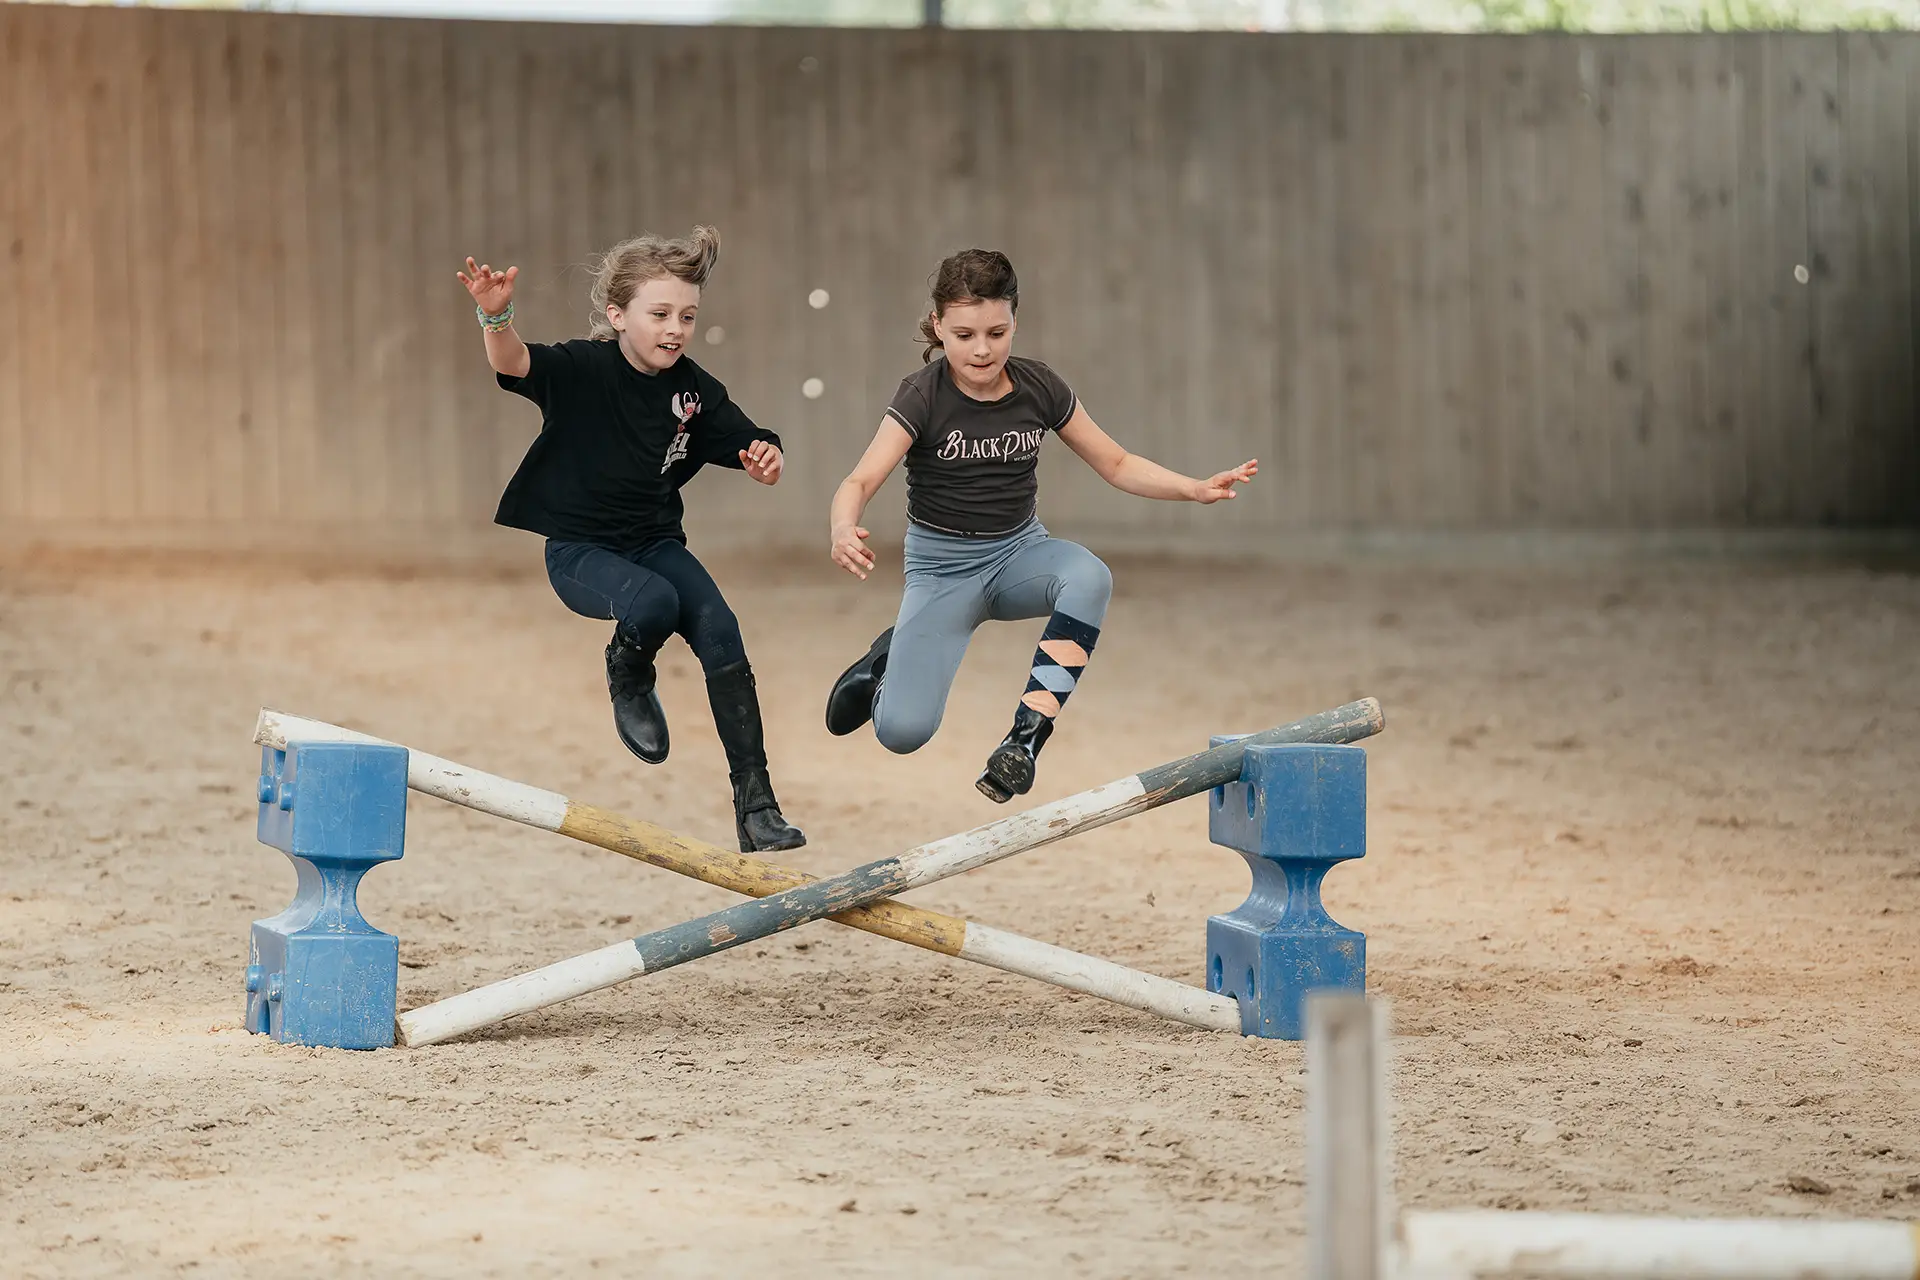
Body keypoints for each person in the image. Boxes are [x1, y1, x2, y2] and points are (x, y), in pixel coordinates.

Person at [823, 248, 1258, 803]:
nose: (982, 349)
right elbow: (859, 481)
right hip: (943, 572)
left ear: (1014, 323)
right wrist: (843, 527)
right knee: (902, 733)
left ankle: (1024, 741)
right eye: (964, 334)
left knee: (1090, 576)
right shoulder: (923, 395)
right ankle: (887, 659)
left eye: (996, 332)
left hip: (1019, 556)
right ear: (938, 327)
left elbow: (1117, 463)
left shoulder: (1039, 387)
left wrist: (1193, 488)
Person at [459, 227, 805, 853]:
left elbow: (748, 437)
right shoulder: (584, 369)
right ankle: (629, 673)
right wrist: (495, 315)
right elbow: (512, 363)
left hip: (653, 541)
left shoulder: (693, 391)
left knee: (723, 630)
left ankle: (758, 809)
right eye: (660, 314)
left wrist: (765, 456)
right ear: (618, 316)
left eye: (688, 316)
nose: (676, 328)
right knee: (652, 604)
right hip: (581, 552)